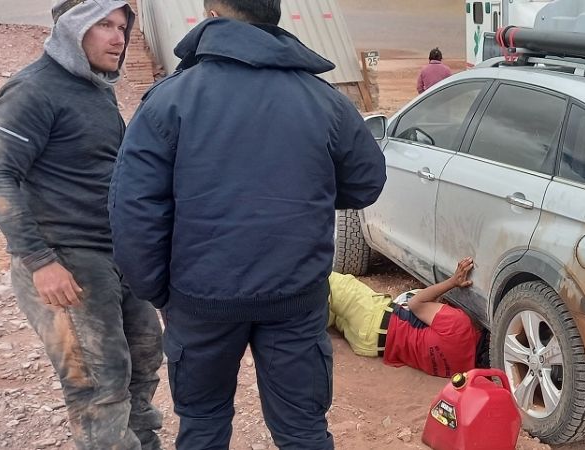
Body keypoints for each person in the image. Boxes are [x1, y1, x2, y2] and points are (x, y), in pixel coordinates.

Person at [107, 0, 387, 448]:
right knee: (302, 430)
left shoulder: (171, 100)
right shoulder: (323, 99)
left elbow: (133, 210)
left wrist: (158, 290)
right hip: (293, 296)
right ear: (273, 18)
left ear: (212, 14)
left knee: (203, 425)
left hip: (201, 299)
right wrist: (306, 193)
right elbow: (366, 182)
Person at [0, 1, 164, 449]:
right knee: (99, 386)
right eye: (104, 24)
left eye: (122, 26)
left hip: (115, 258)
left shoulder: (96, 89)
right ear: (71, 28)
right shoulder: (33, 90)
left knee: (143, 364)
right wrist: (40, 262)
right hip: (66, 262)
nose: (118, 37)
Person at [328, 257, 482, 377]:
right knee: (327, 311)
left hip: (373, 319)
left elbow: (415, 303)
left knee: (328, 281)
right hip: (368, 345)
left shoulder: (460, 327)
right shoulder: (463, 369)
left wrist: (453, 281)